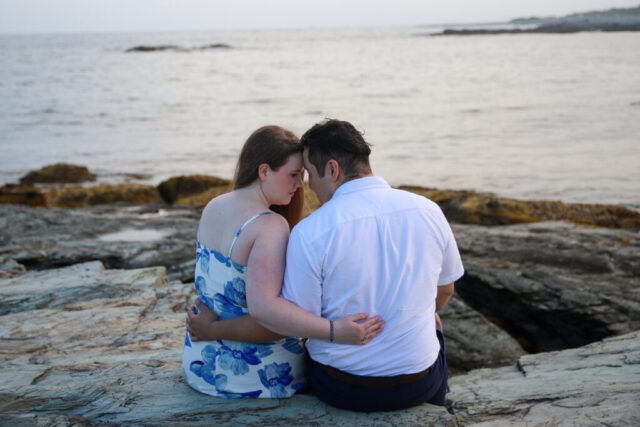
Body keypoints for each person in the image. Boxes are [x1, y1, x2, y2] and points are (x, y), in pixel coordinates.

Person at [182, 125, 384, 399]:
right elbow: (269, 320)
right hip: (254, 379)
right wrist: (338, 331)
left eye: (302, 175)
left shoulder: (215, 205)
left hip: (200, 365)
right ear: (263, 171)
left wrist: (209, 329)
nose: (301, 184)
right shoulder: (269, 227)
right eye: (293, 175)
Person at [278, 119, 464, 411]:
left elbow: (303, 317)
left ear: (332, 169)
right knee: (434, 327)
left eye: (309, 174)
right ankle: (436, 411)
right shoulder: (429, 210)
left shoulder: (310, 231)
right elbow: (446, 290)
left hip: (342, 387)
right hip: (419, 382)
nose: (307, 184)